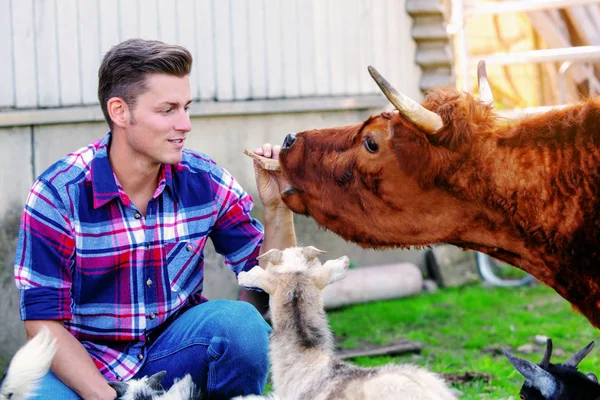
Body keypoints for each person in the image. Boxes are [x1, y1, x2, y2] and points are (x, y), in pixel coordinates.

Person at [13, 38, 296, 400]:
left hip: (175, 351)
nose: (185, 124)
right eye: (168, 110)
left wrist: (278, 208)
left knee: (240, 325)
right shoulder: (58, 193)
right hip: (86, 362)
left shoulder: (205, 180)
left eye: (187, 107)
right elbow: (41, 323)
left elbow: (274, 282)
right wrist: (112, 397)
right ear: (119, 111)